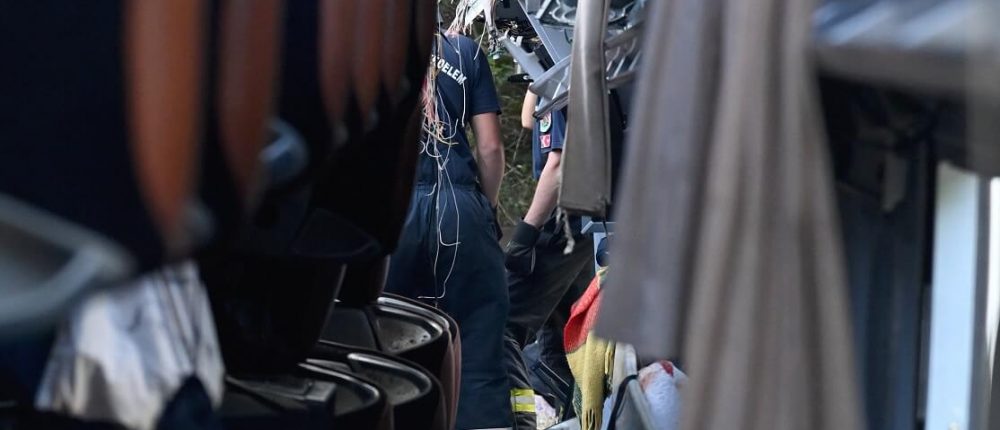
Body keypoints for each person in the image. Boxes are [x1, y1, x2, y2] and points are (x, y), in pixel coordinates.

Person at [384, 29, 510, 430]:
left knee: (388, 342)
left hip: (395, 209)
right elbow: (490, 148)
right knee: (478, 342)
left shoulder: (374, 46)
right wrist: (485, 210)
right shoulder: (464, 51)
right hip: (461, 207)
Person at [503, 90, 595, 429]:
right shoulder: (558, 84)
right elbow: (530, 120)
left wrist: (526, 232)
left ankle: (521, 421)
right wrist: (537, 80)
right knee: (563, 335)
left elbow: (557, 165)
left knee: (502, 323)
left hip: (561, 220)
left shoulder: (565, 85)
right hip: (581, 224)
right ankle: (575, 419)